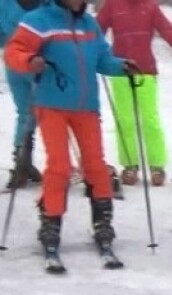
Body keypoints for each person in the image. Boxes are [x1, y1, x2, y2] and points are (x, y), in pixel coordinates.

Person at [4, 0, 139, 256]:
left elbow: (101, 58)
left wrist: (121, 66)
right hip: (51, 103)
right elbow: (13, 51)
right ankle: (51, 222)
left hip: (86, 106)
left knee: (95, 165)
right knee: (59, 166)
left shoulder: (89, 24)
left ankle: (103, 222)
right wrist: (29, 59)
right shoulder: (39, 20)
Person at [95, 0, 172, 187]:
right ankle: (130, 164)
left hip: (145, 70)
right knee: (125, 120)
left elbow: (166, 29)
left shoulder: (150, 6)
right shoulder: (112, 5)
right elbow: (96, 32)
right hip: (121, 69)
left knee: (150, 119)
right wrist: (94, 52)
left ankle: (156, 165)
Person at [1, 0, 43, 189]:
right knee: (36, 113)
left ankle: (22, 163)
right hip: (32, 64)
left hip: (20, 63)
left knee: (27, 114)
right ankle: (22, 163)